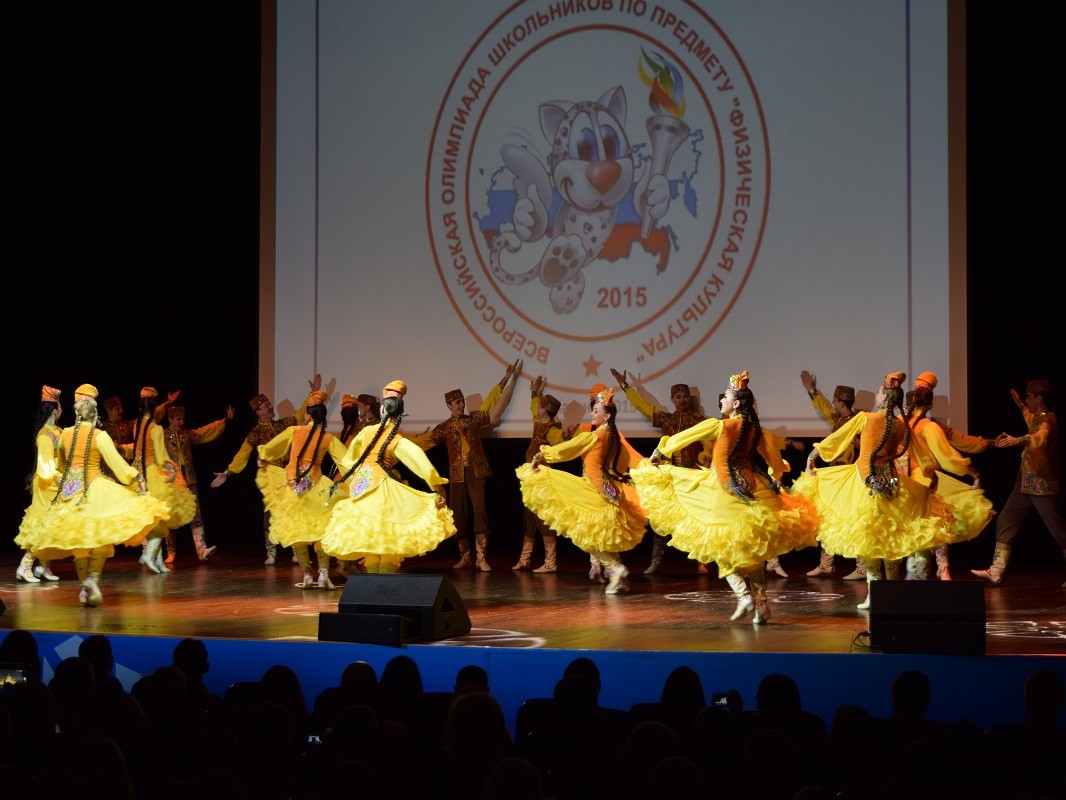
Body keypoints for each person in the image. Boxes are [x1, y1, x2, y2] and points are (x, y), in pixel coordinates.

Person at [631, 370, 819, 623]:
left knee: (720, 547)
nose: (721, 400)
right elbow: (774, 461)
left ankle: (744, 596)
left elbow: (683, 437)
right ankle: (761, 603)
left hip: (721, 491)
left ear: (737, 403)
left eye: (726, 397)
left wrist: (658, 452)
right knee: (750, 553)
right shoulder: (755, 430)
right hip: (752, 490)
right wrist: (775, 476)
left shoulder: (720, 425)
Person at [793, 371, 963, 609]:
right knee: (889, 538)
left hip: (865, 484)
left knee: (871, 538)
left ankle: (875, 594)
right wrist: (930, 474)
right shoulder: (900, 424)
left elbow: (838, 438)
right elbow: (922, 454)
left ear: (884, 398)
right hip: (892, 485)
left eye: (879, 391)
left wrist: (812, 456)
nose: (876, 394)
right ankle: (889, 593)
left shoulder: (867, 418)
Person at [21, 383, 170, 606]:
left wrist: (65, 481)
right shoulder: (99, 436)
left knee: (80, 543)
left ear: (77, 412)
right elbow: (118, 465)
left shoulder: (65, 434)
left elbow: (61, 464)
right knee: (101, 537)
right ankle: (92, 579)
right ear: (95, 413)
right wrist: (136, 478)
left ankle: (84, 588)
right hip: (95, 490)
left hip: (70, 493)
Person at [517, 386, 648, 594]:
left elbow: (568, 449)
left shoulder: (593, 436)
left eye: (596, 411)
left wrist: (541, 455)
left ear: (606, 416)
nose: (591, 414)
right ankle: (618, 576)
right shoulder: (613, 435)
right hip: (608, 489)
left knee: (589, 535)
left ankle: (615, 569)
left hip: (593, 489)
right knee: (601, 535)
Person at [320, 385, 455, 574]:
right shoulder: (396, 439)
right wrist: (438, 487)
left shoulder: (365, 433)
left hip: (361, 489)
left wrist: (354, 481)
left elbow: (349, 461)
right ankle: (383, 580)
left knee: (372, 539)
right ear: (399, 414)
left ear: (382, 409)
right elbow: (419, 461)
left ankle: (373, 581)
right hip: (382, 491)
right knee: (389, 539)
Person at [414, 360, 521, 571]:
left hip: (476, 471)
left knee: (480, 512)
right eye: (457, 402)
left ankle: (481, 558)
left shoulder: (473, 419)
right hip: (457, 475)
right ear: (449, 405)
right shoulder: (444, 427)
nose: (461, 405)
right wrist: (408, 440)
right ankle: (465, 556)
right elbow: (426, 442)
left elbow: (490, 402)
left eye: (462, 401)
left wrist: (506, 379)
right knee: (459, 516)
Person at [610, 368, 710, 576]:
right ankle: (656, 561)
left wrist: (705, 460)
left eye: (685, 396)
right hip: (668, 477)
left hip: (691, 477)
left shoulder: (699, 421)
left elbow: (710, 444)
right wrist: (625, 386)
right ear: (672, 399)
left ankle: (702, 561)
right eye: (678, 397)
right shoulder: (666, 419)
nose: (682, 400)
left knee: (696, 517)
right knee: (661, 519)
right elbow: (644, 407)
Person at [211, 374, 321, 565]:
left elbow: (301, 413)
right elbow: (243, 454)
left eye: (269, 404)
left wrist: (313, 393)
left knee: (293, 512)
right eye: (266, 406)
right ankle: (271, 552)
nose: (270, 407)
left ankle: (297, 550)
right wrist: (228, 472)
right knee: (270, 514)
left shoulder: (284, 424)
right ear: (258, 412)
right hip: (271, 479)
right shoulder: (255, 433)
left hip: (288, 474)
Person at [972, 379, 1066, 587]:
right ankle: (996, 570)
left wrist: (1017, 440)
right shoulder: (1036, 417)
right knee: (1005, 520)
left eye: (1029, 397)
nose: (1027, 400)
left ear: (1038, 398)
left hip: (1041, 484)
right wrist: (1019, 403)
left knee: (1058, 529)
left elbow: (1039, 438)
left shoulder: (1048, 420)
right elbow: (1027, 414)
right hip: (1024, 484)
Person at [256, 389, 349, 589]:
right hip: (317, 487)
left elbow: (273, 447)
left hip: (292, 486)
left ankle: (307, 574)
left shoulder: (295, 431)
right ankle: (323, 574)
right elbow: (346, 461)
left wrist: (263, 457)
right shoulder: (328, 438)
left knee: (296, 531)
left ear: (307, 414)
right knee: (321, 530)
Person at [902, 386, 994, 580]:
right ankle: (938, 571)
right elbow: (948, 458)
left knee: (913, 528)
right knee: (935, 526)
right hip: (924, 483)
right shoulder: (929, 427)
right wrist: (972, 472)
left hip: (903, 484)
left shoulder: (899, 423)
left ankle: (914, 573)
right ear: (929, 405)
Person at [799, 370, 866, 580]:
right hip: (835, 475)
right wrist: (811, 390)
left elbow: (866, 446)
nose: (833, 403)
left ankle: (862, 566)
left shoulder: (858, 422)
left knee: (853, 519)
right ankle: (826, 564)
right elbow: (824, 407)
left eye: (836, 400)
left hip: (849, 477)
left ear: (841, 402)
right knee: (830, 518)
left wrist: (857, 442)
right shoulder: (838, 418)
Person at [130, 386, 197, 574]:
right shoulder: (156, 428)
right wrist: (172, 470)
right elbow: (161, 457)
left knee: (153, 518)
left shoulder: (137, 426)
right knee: (162, 516)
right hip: (152, 473)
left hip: (138, 474)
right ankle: (150, 554)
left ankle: (158, 560)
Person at [161, 402, 234, 563]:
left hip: (189, 480)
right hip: (171, 482)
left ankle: (201, 550)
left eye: (183, 419)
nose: (181, 422)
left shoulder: (187, 434)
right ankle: (171, 552)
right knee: (170, 515)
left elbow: (205, 431)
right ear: (170, 419)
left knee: (196, 514)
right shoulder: (162, 436)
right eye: (178, 419)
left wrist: (225, 420)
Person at [512, 376, 568, 573]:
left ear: (546, 410)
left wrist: (566, 435)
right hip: (531, 478)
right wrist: (534, 392)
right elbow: (533, 406)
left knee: (543, 517)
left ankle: (551, 562)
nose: (537, 408)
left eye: (541, 406)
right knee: (529, 517)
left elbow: (560, 440)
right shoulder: (538, 421)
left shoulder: (552, 430)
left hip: (542, 478)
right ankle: (525, 559)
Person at [15, 385, 64, 583]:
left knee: (51, 526)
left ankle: (44, 566)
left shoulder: (57, 431)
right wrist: (60, 478)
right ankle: (25, 566)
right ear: (54, 410)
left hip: (54, 482)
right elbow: (45, 467)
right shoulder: (45, 435)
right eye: (59, 405)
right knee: (42, 525)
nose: (62, 409)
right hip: (47, 483)